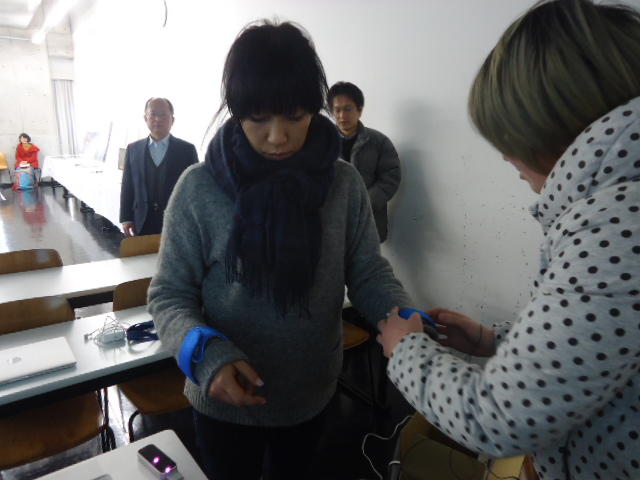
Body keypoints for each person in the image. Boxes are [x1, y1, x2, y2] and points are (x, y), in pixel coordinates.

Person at [377, 1, 640, 479]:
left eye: (506, 137)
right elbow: (593, 348)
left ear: (549, 124)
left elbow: (497, 418)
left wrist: (405, 351)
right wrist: (495, 341)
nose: (504, 158)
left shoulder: (617, 223)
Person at [148, 21, 412, 480]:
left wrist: (406, 320)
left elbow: (368, 272)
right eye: (259, 118)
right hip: (224, 401)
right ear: (237, 112)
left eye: (294, 116)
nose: (277, 136)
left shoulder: (343, 184)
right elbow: (169, 295)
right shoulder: (198, 188)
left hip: (311, 394)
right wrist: (206, 357)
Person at [328, 82, 401, 242]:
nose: (342, 116)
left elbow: (391, 177)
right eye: (337, 110)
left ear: (359, 110)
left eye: (348, 109)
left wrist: (364, 202)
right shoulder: (322, 143)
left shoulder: (379, 142)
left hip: (369, 221)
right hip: (331, 223)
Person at [119, 97, 198, 237]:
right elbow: (127, 186)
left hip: (176, 221)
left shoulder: (187, 150)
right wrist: (126, 218)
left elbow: (194, 188)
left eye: (163, 114)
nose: (157, 119)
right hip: (141, 221)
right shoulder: (133, 149)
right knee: (142, 252)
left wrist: (194, 221)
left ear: (172, 120)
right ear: (145, 118)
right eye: (153, 114)